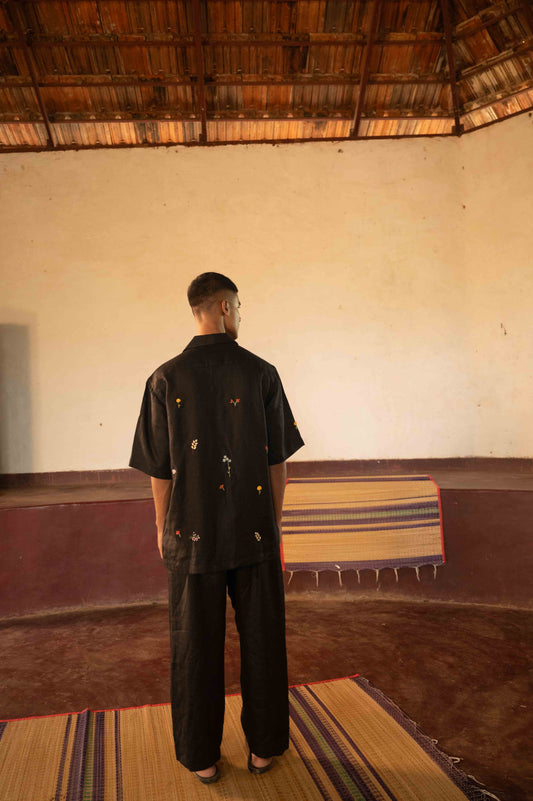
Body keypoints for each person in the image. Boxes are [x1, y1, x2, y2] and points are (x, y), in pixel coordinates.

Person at [129, 272, 304, 783]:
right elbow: (277, 464)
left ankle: (202, 756)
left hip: (190, 536)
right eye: (240, 309)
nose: (240, 318)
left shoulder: (164, 377)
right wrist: (271, 523)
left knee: (193, 644)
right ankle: (264, 749)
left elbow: (159, 469)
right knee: (264, 640)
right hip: (254, 531)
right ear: (225, 308)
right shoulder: (261, 373)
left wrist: (165, 527)